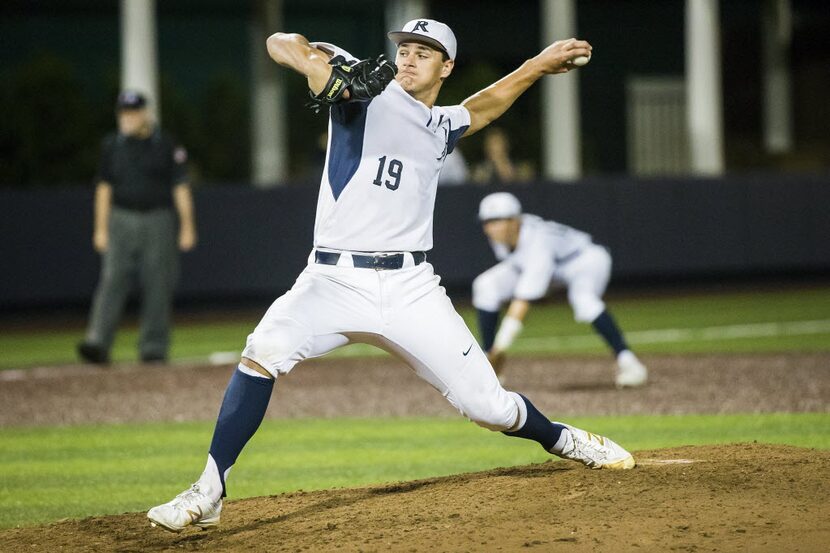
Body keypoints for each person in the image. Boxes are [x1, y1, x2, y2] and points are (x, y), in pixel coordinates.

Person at [147, 19, 634, 533]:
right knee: (263, 350)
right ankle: (210, 488)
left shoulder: (442, 126)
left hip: (411, 288)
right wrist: (324, 70)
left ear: (446, 67)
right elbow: (283, 45)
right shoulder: (362, 88)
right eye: (404, 48)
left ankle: (561, 438)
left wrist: (536, 65)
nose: (408, 58)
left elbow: (485, 105)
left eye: (424, 52)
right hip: (331, 280)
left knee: (489, 408)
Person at [473, 192, 648, 388]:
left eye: (496, 221)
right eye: (486, 222)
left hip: (584, 260)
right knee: (485, 285)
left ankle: (630, 363)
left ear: (514, 221)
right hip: (553, 267)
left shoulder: (537, 244)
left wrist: (501, 347)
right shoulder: (504, 237)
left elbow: (522, 303)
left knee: (584, 301)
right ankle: (489, 366)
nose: (489, 228)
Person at [77, 90, 197, 364]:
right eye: (123, 112)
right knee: (112, 280)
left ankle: (153, 346)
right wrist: (100, 228)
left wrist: (187, 226)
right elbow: (104, 189)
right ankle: (97, 342)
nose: (127, 118)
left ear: (145, 113)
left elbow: (180, 187)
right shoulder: (112, 145)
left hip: (158, 219)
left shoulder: (165, 144)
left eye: (132, 112)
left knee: (158, 283)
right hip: (121, 219)